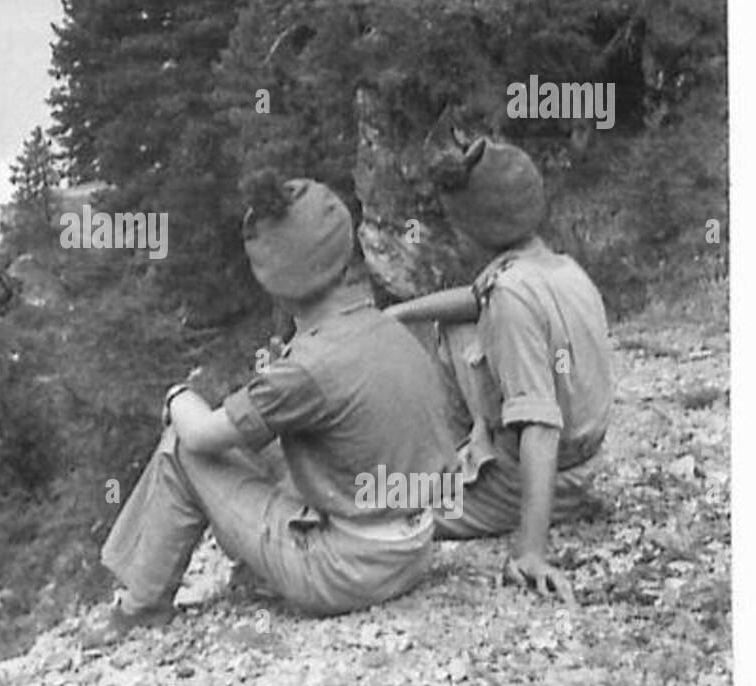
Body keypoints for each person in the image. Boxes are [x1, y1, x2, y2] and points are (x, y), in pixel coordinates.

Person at [87, 173, 457, 645]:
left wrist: (178, 396)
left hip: (347, 572)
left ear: (274, 280)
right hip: (413, 548)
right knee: (258, 444)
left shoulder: (307, 367)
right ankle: (195, 576)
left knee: (183, 444)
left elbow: (201, 436)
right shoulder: (387, 327)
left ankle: (139, 606)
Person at [386, 138, 613, 607]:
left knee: (382, 503)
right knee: (452, 326)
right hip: (585, 458)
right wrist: (396, 315)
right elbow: (476, 298)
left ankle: (459, 480)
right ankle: (450, 457)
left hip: (543, 477)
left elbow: (540, 426)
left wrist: (530, 550)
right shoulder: (555, 268)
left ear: (475, 228)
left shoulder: (510, 300)